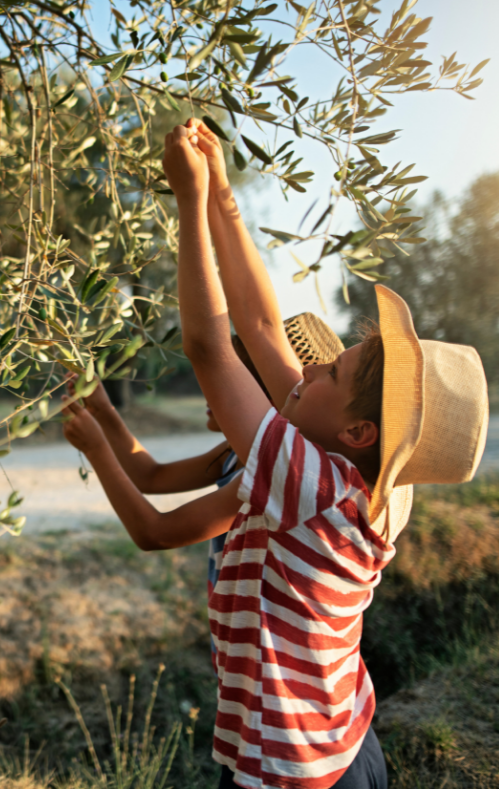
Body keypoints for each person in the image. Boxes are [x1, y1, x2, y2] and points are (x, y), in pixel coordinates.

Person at [157, 118, 489, 789]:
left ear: (360, 433)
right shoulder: (355, 480)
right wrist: (223, 192)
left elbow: (213, 348)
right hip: (345, 746)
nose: (307, 371)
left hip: (288, 773)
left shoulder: (314, 488)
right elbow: (260, 325)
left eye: (330, 372)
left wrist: (189, 205)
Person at [66, 313, 344, 676]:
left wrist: (97, 450)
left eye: (236, 378)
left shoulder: (270, 476)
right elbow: (151, 476)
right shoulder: (235, 453)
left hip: (286, 682)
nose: (210, 386)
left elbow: (156, 533)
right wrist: (102, 410)